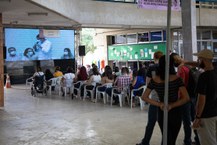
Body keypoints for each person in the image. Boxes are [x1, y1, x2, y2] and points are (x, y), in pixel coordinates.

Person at [141, 55, 189, 145]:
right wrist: (172, 105)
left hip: (162, 111)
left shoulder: (155, 80)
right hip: (175, 111)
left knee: (166, 137)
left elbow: (144, 97)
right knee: (171, 140)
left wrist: (159, 104)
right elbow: (186, 98)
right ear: (171, 65)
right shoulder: (177, 79)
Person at [137, 51, 163, 145]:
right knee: (164, 124)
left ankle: (145, 142)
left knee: (151, 123)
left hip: (154, 99)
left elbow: (148, 84)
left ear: (154, 57)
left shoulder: (152, 68)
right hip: (166, 99)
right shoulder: (168, 67)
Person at [192, 49, 217, 145]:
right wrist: (184, 62)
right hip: (215, 113)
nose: (198, 61)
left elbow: (201, 100)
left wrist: (198, 117)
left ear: (204, 60)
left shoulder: (204, 77)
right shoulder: (215, 72)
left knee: (208, 142)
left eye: (199, 59)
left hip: (206, 116)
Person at [171, 53, 194, 145]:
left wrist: (178, 99)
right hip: (192, 96)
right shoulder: (188, 67)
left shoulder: (181, 69)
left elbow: (181, 85)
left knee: (186, 121)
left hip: (185, 98)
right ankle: (197, 139)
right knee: (193, 119)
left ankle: (187, 141)